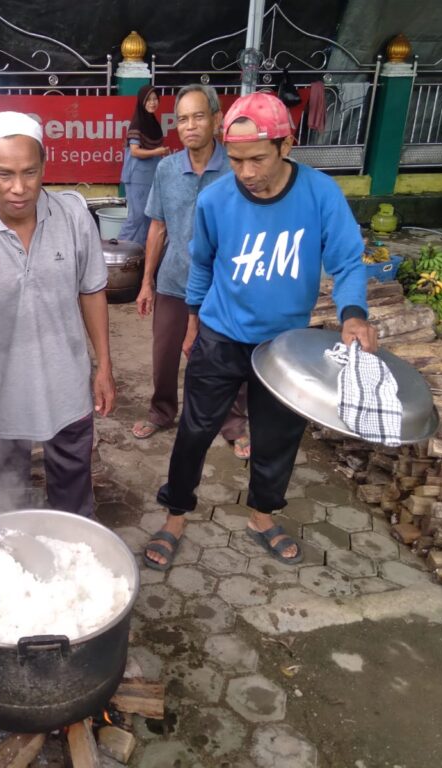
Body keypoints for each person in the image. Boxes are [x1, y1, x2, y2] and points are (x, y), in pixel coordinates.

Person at [144, 92, 377, 571]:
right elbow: (202, 265)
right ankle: (175, 514)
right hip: (221, 336)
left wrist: (354, 314)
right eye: (235, 159)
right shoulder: (215, 200)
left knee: (277, 436)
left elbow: (348, 260)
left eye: (257, 159)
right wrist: (193, 321)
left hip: (285, 345)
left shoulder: (320, 194)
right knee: (195, 429)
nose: (246, 172)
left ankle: (262, 514)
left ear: (286, 145)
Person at [0, 111, 116, 519]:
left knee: (74, 487)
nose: (19, 188)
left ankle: (76, 554)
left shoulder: (73, 215)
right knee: (9, 490)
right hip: (2, 389)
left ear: (44, 166)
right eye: (4, 174)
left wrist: (104, 366)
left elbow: (92, 291)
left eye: (30, 172)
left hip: (68, 383)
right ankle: (17, 560)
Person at [130, 84, 250, 464]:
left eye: (199, 116)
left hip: (224, 287)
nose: (190, 125)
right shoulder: (166, 169)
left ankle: (233, 423)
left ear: (217, 120)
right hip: (174, 281)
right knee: (164, 353)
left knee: (227, 356)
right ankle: (162, 412)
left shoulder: (234, 170)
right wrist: (146, 281)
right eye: (182, 119)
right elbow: (157, 227)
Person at [117, 85, 169, 245]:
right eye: (149, 99)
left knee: (148, 217)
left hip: (151, 177)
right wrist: (157, 151)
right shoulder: (137, 123)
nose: (153, 103)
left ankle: (139, 255)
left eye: (155, 99)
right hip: (137, 177)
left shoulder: (154, 124)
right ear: (142, 102)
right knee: (136, 216)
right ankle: (117, 252)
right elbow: (135, 151)